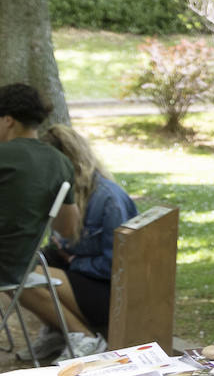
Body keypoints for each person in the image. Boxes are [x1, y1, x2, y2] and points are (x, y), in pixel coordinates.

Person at [18, 124, 138, 359]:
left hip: (110, 291)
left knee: (26, 278)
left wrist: (74, 260)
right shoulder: (64, 193)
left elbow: (115, 266)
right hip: (84, 279)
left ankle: (86, 338)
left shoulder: (109, 199)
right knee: (16, 271)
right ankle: (58, 331)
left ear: (67, 163)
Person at [0, 84, 79, 357]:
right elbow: (68, 228)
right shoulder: (60, 162)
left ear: (8, 120)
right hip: (24, 260)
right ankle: (80, 338)